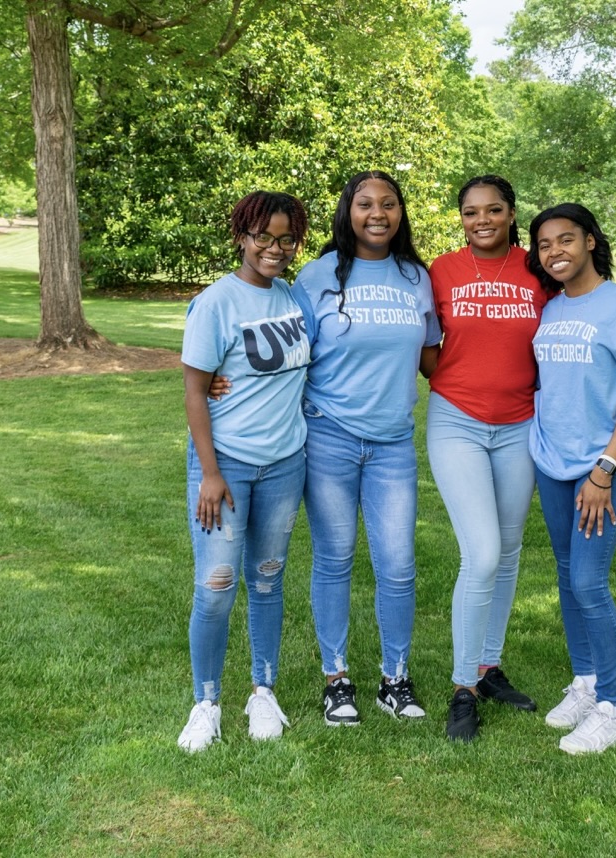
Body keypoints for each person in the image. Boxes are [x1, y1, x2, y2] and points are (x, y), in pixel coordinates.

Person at [295, 170, 441, 726]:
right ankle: (337, 680)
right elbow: (289, 352)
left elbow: (433, 358)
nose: (377, 213)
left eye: (388, 203)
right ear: (347, 211)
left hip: (392, 444)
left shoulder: (415, 277)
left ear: (400, 213)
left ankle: (394, 680)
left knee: (398, 566)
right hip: (328, 436)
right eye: (365, 203)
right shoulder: (317, 276)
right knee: (334, 561)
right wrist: (218, 377)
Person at [526, 203, 616, 754]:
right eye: (544, 244)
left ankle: (612, 708)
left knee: (589, 581)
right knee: (566, 574)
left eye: (566, 240)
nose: (555, 251)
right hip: (551, 462)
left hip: (599, 467)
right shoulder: (550, 310)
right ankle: (585, 683)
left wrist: (604, 470)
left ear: (589, 241)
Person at [178, 191, 311, 752]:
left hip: (285, 463)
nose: (274, 249)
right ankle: (205, 702)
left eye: (286, 239)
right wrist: (209, 472)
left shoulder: (292, 297)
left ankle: (263, 692)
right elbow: (193, 391)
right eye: (263, 237)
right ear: (242, 236)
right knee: (216, 587)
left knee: (267, 579)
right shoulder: (216, 303)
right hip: (226, 466)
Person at [421, 175, 551, 742]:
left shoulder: (537, 269)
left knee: (509, 548)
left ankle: (488, 665)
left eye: (493, 210)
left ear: (511, 213)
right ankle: (462, 688)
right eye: (471, 212)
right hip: (458, 423)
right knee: (481, 553)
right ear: (462, 219)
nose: (483, 220)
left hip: (521, 424)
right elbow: (425, 350)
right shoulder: (441, 271)